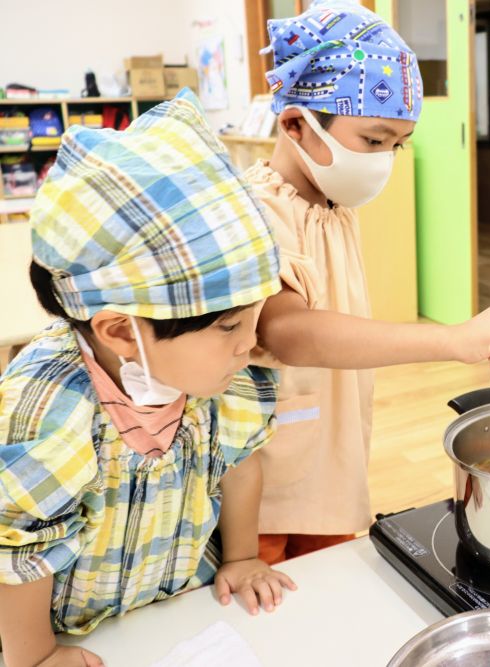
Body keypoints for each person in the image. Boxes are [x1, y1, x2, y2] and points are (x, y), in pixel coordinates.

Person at [245, 2, 490, 563]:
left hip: (331, 471)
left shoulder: (334, 206)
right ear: (296, 123)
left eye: (399, 143)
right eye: (372, 140)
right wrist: (449, 339)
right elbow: (288, 331)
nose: (386, 160)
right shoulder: (259, 212)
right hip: (262, 492)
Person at [0, 90, 294, 667]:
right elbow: (17, 549)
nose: (252, 342)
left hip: (177, 610)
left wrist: (238, 558)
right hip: (70, 632)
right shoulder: (50, 408)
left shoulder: (223, 379)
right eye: (231, 325)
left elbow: (239, 466)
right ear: (117, 330)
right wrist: (35, 657)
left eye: (257, 314)